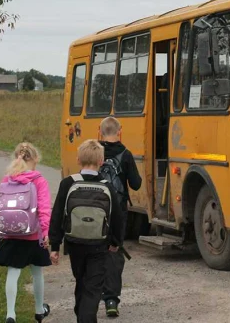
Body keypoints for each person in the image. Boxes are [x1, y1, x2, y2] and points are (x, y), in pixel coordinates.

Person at [49, 139, 126, 323]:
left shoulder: (68, 183)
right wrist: (116, 243)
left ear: (78, 160)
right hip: (99, 246)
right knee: (93, 287)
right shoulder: (107, 186)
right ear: (101, 162)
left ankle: (82, 316)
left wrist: (54, 246)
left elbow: (58, 214)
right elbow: (117, 218)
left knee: (81, 282)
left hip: (74, 243)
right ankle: (85, 318)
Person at [0, 143, 52, 323]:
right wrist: (46, 231)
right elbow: (44, 209)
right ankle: (39, 310)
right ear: (35, 159)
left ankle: (10, 314)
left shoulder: (6, 179)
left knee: (13, 271)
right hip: (33, 234)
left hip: (11, 234)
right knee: (37, 272)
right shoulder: (38, 180)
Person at [98, 117, 141, 318]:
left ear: (100, 131)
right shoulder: (126, 154)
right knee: (114, 251)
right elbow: (137, 184)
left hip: (95, 209)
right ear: (120, 131)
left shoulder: (93, 151)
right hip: (118, 211)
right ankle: (111, 300)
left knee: (95, 251)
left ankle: (91, 294)